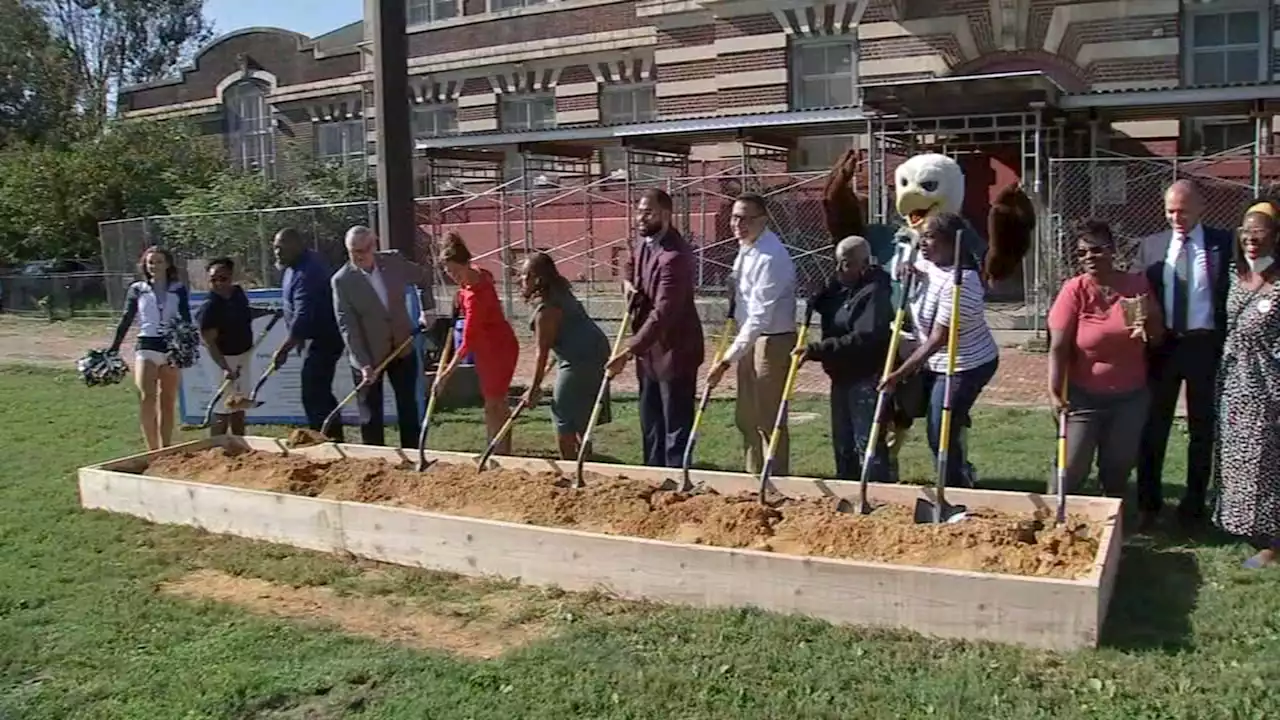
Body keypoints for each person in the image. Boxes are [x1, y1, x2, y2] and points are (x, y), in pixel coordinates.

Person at [1136, 179, 1232, 533]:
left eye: (1183, 210)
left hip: (1205, 346)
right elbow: (1137, 294)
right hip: (1163, 348)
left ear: (1200, 208)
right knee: (1153, 427)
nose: (1176, 217)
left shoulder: (1224, 243)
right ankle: (1148, 504)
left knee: (1202, 429)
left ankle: (1193, 505)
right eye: (1170, 211)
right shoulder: (1151, 247)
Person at [881, 212, 999, 488]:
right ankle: (955, 474)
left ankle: (957, 486)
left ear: (950, 243)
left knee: (941, 429)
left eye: (931, 237)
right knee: (919, 414)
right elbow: (923, 271)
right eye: (922, 236)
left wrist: (900, 373)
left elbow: (938, 338)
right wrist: (910, 270)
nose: (923, 243)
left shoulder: (964, 283)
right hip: (934, 361)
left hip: (965, 364)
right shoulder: (928, 261)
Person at [1047, 220, 1163, 499]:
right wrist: (1053, 391)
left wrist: (1150, 322)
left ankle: (1112, 524)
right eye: (1082, 253)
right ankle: (1051, 516)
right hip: (1083, 397)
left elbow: (1157, 339)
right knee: (1072, 466)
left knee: (1118, 466)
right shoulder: (1074, 291)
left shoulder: (1136, 286)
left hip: (1130, 396)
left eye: (1096, 250)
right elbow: (1059, 347)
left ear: (1112, 251)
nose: (1089, 258)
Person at [606, 188, 705, 468]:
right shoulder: (644, 243)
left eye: (647, 212)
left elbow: (663, 313)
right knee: (650, 420)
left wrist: (628, 351)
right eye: (639, 211)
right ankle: (652, 472)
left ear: (666, 214)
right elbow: (629, 265)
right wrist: (626, 283)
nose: (640, 217)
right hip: (648, 351)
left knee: (674, 421)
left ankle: (676, 476)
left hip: (675, 351)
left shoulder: (674, 255)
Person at [705, 193, 798, 475]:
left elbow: (760, 316)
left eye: (746, 218)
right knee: (746, 416)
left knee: (768, 417)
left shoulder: (772, 256)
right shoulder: (746, 248)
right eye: (735, 217)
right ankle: (753, 474)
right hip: (749, 338)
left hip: (771, 339)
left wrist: (725, 360)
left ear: (763, 220)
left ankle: (777, 478)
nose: (738, 224)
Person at [1213, 201, 1280, 568]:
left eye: (1260, 232)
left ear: (1275, 237)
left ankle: (1274, 541)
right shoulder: (1237, 275)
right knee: (1238, 455)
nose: (1252, 239)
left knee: (1266, 457)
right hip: (1233, 382)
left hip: (1268, 384)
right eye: (1246, 232)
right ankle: (1244, 523)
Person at [331, 226, 437, 448]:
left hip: (402, 346)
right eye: (353, 251)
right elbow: (347, 325)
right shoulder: (342, 281)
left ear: (374, 245)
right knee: (370, 414)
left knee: (408, 406)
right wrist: (363, 364)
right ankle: (375, 458)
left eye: (363, 250)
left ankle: (413, 454)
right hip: (368, 355)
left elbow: (424, 277)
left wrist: (428, 310)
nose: (358, 256)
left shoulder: (394, 262)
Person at [798, 235, 893, 481]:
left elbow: (864, 337)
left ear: (864, 264)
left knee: (867, 441)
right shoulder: (842, 286)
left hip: (864, 375)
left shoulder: (875, 292)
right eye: (838, 263)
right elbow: (834, 309)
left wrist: (819, 349)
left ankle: (879, 489)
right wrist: (817, 296)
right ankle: (846, 484)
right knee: (843, 441)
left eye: (847, 263)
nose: (841, 269)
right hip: (839, 375)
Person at [518, 252, 611, 460]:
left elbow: (541, 352)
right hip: (594, 350)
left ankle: (570, 465)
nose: (521, 280)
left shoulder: (547, 309)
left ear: (539, 279)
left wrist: (534, 388)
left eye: (526, 275)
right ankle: (584, 460)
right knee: (578, 413)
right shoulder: (560, 293)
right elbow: (562, 335)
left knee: (562, 412)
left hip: (582, 357)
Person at [434, 231, 519, 454]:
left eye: (455, 271)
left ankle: (498, 450)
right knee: (496, 402)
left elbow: (466, 343)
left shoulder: (475, 298)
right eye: (448, 272)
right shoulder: (479, 275)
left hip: (497, 350)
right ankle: (499, 447)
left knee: (493, 403)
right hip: (488, 348)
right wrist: (459, 295)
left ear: (465, 263)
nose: (453, 277)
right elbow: (472, 284)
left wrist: (444, 375)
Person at [108, 245, 192, 450]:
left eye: (159, 261)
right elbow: (126, 318)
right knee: (147, 397)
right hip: (147, 345)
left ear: (168, 264)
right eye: (150, 262)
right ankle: (152, 449)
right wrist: (114, 347)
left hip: (171, 348)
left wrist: (187, 345)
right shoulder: (138, 289)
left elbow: (186, 319)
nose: (154, 266)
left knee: (168, 399)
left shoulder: (178, 288)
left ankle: (167, 448)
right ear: (145, 265)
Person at [270, 227, 345, 442]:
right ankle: (331, 436)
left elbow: (303, 315)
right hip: (314, 337)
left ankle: (325, 438)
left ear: (297, 246)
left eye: (281, 248)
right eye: (274, 247)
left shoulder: (308, 271)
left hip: (326, 337)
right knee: (318, 389)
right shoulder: (293, 267)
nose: (277, 252)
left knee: (313, 391)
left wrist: (285, 348)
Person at [198, 257, 281, 437]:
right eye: (214, 280)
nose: (219, 283)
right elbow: (209, 342)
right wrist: (225, 368)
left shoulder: (237, 294)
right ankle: (218, 445)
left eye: (223, 278)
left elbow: (245, 312)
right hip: (221, 358)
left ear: (231, 277)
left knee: (240, 403)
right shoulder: (210, 307)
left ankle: (240, 442)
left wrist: (269, 312)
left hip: (243, 355)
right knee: (223, 405)